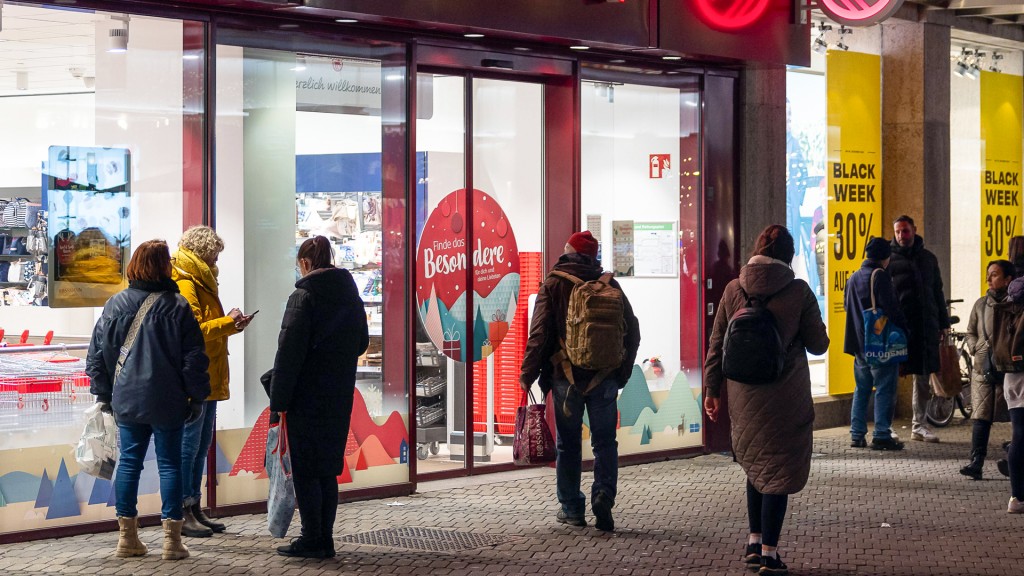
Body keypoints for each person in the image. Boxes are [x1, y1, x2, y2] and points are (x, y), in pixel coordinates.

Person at [703, 225, 829, 576]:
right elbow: (819, 344)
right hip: (784, 395)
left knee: (756, 465)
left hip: (742, 395)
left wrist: (712, 392)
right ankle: (770, 555)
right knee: (778, 472)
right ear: (788, 256)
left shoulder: (733, 289)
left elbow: (716, 346)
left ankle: (754, 542)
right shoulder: (799, 292)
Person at [86, 240, 210, 560]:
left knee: (129, 463)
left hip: (126, 399)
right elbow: (194, 358)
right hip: (168, 400)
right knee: (171, 465)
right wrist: (197, 396)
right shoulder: (177, 306)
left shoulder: (115, 304)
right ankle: (172, 541)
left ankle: (127, 539)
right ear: (163, 267)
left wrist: (103, 393)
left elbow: (97, 356)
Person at [519, 230, 641, 533]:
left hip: (566, 378)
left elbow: (540, 335)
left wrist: (527, 374)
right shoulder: (610, 285)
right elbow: (633, 330)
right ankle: (603, 495)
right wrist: (621, 373)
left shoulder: (553, 283)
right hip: (604, 379)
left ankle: (572, 508)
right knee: (604, 443)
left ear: (568, 250)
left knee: (568, 446)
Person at [266, 235, 369, 558]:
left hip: (306, 395)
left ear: (306, 264)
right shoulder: (350, 295)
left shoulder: (304, 297)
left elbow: (289, 355)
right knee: (326, 468)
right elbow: (362, 343)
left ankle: (313, 538)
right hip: (338, 393)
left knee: (307, 469)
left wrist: (278, 402)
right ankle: (324, 537)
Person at [172, 226, 253, 537]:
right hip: (196, 376)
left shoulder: (201, 280)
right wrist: (227, 322)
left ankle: (193, 507)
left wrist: (232, 325)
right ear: (203, 253)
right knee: (189, 446)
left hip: (208, 375)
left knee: (200, 445)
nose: (218, 258)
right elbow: (193, 330)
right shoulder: (186, 282)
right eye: (215, 252)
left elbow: (206, 327)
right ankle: (182, 510)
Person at [889, 215, 951, 443]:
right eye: (897, 232)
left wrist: (943, 323)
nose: (901, 236)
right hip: (900, 328)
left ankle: (919, 425)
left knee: (923, 376)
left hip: (925, 326)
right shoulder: (889, 260)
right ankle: (886, 425)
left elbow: (938, 292)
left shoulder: (928, 259)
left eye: (905, 231)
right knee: (892, 376)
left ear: (914, 230)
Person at [843, 237, 907, 450]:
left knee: (861, 388)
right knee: (884, 388)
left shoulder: (853, 277)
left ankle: (857, 434)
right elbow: (892, 308)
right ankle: (881, 434)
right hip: (878, 344)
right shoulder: (879, 275)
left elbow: (847, 307)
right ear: (885, 257)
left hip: (859, 344)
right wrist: (905, 329)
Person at [959, 260, 1014, 480]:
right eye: (988, 275)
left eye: (994, 275)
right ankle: (976, 462)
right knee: (981, 418)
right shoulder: (981, 305)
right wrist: (976, 347)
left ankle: (1014, 460)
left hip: (1010, 369)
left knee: (1016, 418)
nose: (989, 279)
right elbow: (971, 331)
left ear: (1008, 279)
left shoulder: (1015, 304)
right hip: (983, 368)